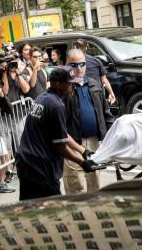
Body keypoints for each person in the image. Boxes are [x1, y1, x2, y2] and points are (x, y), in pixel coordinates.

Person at [16, 66, 98, 199]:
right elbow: (60, 146)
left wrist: (83, 150)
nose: (73, 87)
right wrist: (82, 162)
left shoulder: (42, 97)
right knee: (52, 208)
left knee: (29, 207)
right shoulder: (56, 106)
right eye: (70, 84)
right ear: (58, 84)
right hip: (40, 167)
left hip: (26, 161)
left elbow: (61, 133)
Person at [63, 49, 113, 194]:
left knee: (94, 183)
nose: (79, 68)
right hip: (72, 144)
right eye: (74, 65)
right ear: (67, 65)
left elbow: (105, 113)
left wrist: (111, 135)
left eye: (82, 64)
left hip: (93, 142)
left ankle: (95, 213)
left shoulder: (94, 84)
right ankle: (78, 215)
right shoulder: (63, 88)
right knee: (76, 186)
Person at [73, 39, 116, 104]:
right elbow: (104, 79)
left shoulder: (71, 63)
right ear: (86, 47)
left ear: (75, 48)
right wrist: (111, 93)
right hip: (96, 94)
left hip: (80, 96)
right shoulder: (96, 61)